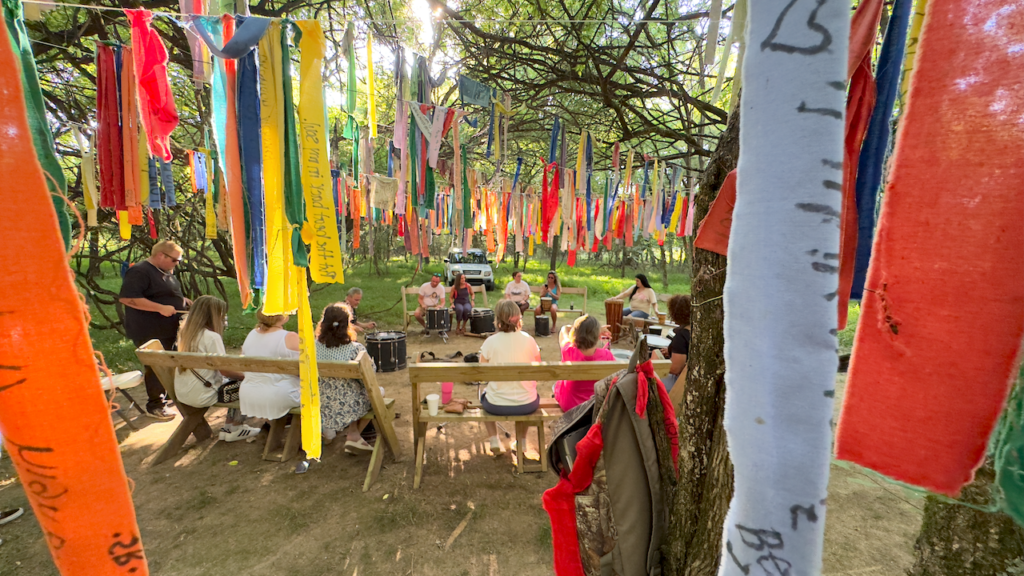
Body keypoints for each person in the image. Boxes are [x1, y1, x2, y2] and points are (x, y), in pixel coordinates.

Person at [118, 239, 190, 421]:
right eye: (175, 260)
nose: (177, 264)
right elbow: (127, 298)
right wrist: (159, 307)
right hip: (149, 328)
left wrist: (184, 301)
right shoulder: (140, 271)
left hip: (169, 327)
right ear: (161, 255)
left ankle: (167, 396)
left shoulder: (165, 270)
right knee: (157, 365)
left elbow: (163, 292)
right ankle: (155, 405)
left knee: (169, 362)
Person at [174, 296, 260, 442]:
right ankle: (236, 427)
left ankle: (229, 427)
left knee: (236, 381)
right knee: (249, 384)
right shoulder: (211, 337)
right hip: (203, 393)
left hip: (183, 392)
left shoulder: (185, 332)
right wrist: (249, 377)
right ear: (213, 315)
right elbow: (225, 370)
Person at [479, 300, 542, 454]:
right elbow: (538, 368)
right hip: (527, 404)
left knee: (483, 394)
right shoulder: (529, 340)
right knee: (527, 392)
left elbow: (482, 373)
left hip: (495, 404)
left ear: (498, 319)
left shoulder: (490, 342)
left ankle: (494, 439)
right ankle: (522, 441)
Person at [315, 302, 378, 454]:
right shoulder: (355, 349)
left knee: (350, 394)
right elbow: (369, 376)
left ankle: (345, 432)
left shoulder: (313, 347)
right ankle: (353, 434)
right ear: (347, 325)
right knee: (377, 393)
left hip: (321, 401)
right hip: (349, 405)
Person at [240, 308, 301, 421]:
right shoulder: (290, 337)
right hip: (279, 395)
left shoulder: (252, 334)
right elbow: (305, 370)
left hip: (248, 394)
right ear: (282, 316)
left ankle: (271, 428)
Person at [554, 315, 615, 411]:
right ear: (598, 336)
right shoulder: (607, 355)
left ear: (575, 334)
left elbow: (563, 330)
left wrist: (574, 328)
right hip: (593, 406)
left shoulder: (568, 350)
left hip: (569, 405)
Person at [660, 295, 691, 392]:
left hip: (681, 383)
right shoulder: (696, 329)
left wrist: (656, 363)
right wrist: (671, 351)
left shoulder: (681, 336)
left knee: (645, 379)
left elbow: (675, 369)